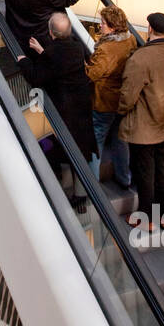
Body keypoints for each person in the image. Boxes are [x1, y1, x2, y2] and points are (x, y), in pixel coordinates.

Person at [25, 13, 96, 210]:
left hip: (62, 111)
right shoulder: (76, 47)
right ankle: (80, 193)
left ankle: (69, 192)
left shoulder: (53, 53)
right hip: (81, 109)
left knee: (61, 149)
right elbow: (60, 63)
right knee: (79, 151)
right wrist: (43, 52)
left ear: (50, 32)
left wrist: (24, 60)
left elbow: (37, 77)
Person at [117, 12, 164, 230]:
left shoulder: (139, 58)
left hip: (145, 124)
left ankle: (148, 219)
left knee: (145, 172)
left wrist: (120, 110)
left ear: (150, 28)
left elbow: (128, 95)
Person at [87, 5, 136, 188]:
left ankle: (92, 184)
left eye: (103, 23)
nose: (100, 26)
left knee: (96, 144)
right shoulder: (130, 40)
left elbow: (92, 74)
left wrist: (84, 65)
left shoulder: (106, 49)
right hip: (122, 100)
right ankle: (125, 178)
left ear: (112, 27)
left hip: (103, 102)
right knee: (120, 141)